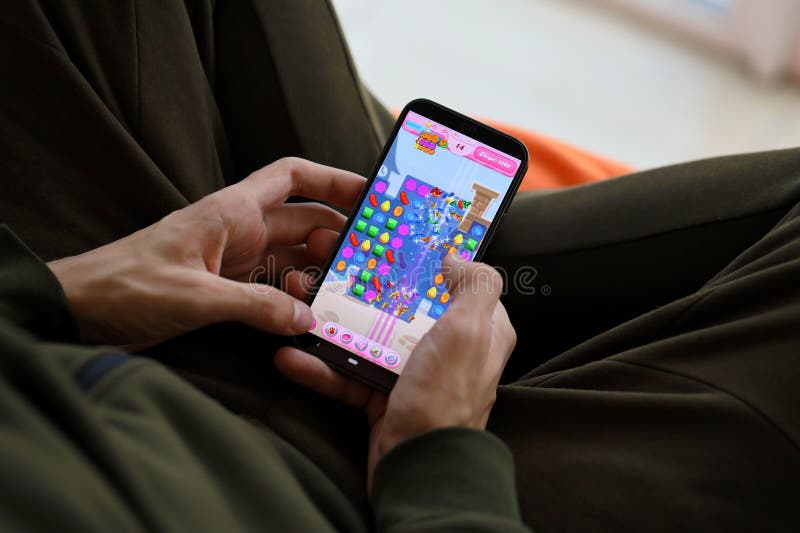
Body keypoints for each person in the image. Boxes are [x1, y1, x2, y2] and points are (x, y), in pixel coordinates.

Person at [0, 1, 797, 531]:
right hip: (362, 495)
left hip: (69, 339)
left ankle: (433, 264)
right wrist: (436, 449)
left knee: (397, 223)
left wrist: (79, 287)